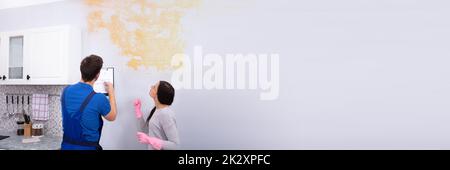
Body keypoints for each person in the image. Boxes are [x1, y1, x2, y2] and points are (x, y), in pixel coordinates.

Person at [60, 54, 117, 150]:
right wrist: (111, 92)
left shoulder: (66, 91)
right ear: (98, 75)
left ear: (81, 71)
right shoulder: (99, 98)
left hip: (66, 146)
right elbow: (112, 116)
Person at [133, 81, 179, 150]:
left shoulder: (166, 114)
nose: (151, 86)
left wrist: (149, 140)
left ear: (159, 95)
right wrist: (138, 111)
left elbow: (175, 146)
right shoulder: (156, 109)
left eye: (154, 87)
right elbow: (145, 131)